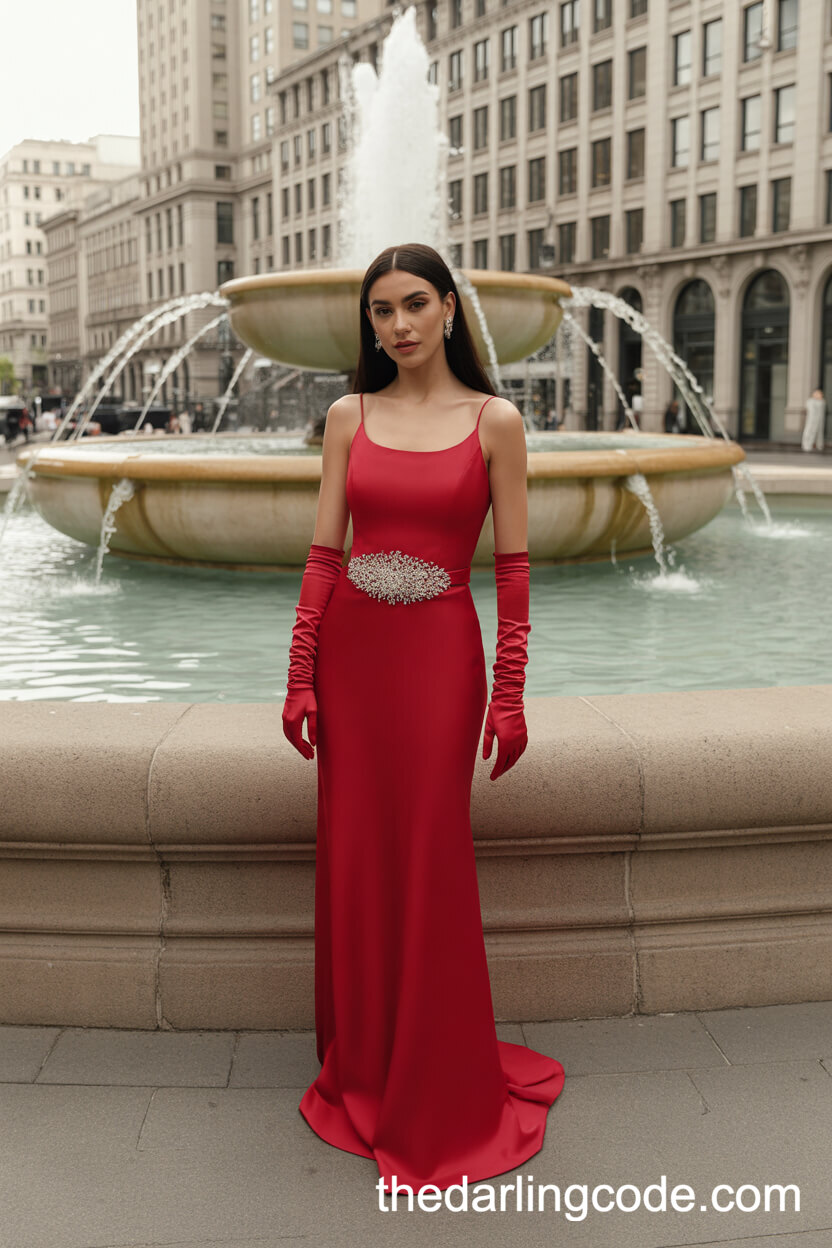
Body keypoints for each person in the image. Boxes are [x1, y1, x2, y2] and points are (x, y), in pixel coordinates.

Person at [282, 243, 565, 1193]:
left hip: (443, 662)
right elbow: (325, 555)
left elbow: (515, 571)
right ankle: (363, 1065)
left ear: (449, 309)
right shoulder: (347, 416)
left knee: (431, 860)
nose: (396, 326)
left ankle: (436, 1083)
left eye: (413, 305)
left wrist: (511, 691)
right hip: (354, 660)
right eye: (379, 312)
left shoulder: (497, 422)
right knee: (360, 860)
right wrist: (299, 675)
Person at [802, 388, 826, 452]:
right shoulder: (810, 401)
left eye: (820, 394)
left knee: (819, 433)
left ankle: (819, 445)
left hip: (819, 421)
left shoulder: (822, 402)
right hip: (811, 420)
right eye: (818, 393)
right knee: (809, 432)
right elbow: (811, 412)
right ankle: (807, 445)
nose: (820, 395)